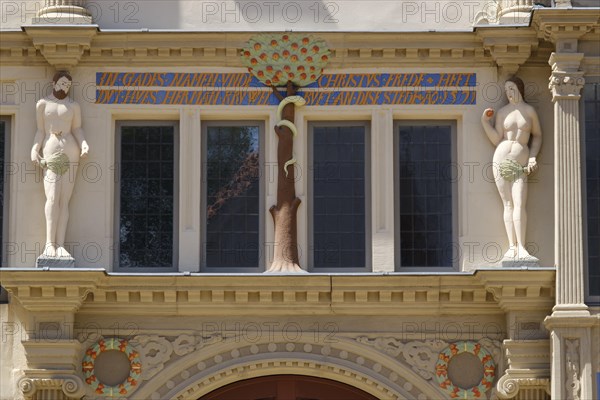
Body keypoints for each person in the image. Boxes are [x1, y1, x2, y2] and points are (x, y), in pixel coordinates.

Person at [481, 77, 542, 261]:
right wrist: (485, 122)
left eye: (512, 88)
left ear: (519, 89)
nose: (509, 92)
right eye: (507, 89)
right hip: (501, 158)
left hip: (520, 163)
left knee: (519, 202)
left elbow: (537, 136)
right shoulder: (502, 112)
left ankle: (522, 247)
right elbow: (496, 139)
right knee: (508, 204)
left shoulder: (529, 111)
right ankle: (512, 247)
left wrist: (532, 157)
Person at [31, 71, 89, 258]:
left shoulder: (73, 106)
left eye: (68, 85)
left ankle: (61, 244)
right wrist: (35, 149)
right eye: (62, 83)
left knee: (64, 200)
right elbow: (40, 131)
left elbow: (77, 128)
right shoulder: (42, 104)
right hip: (51, 151)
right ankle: (49, 244)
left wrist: (83, 143)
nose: (64, 87)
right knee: (53, 197)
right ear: (54, 82)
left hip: (70, 151)